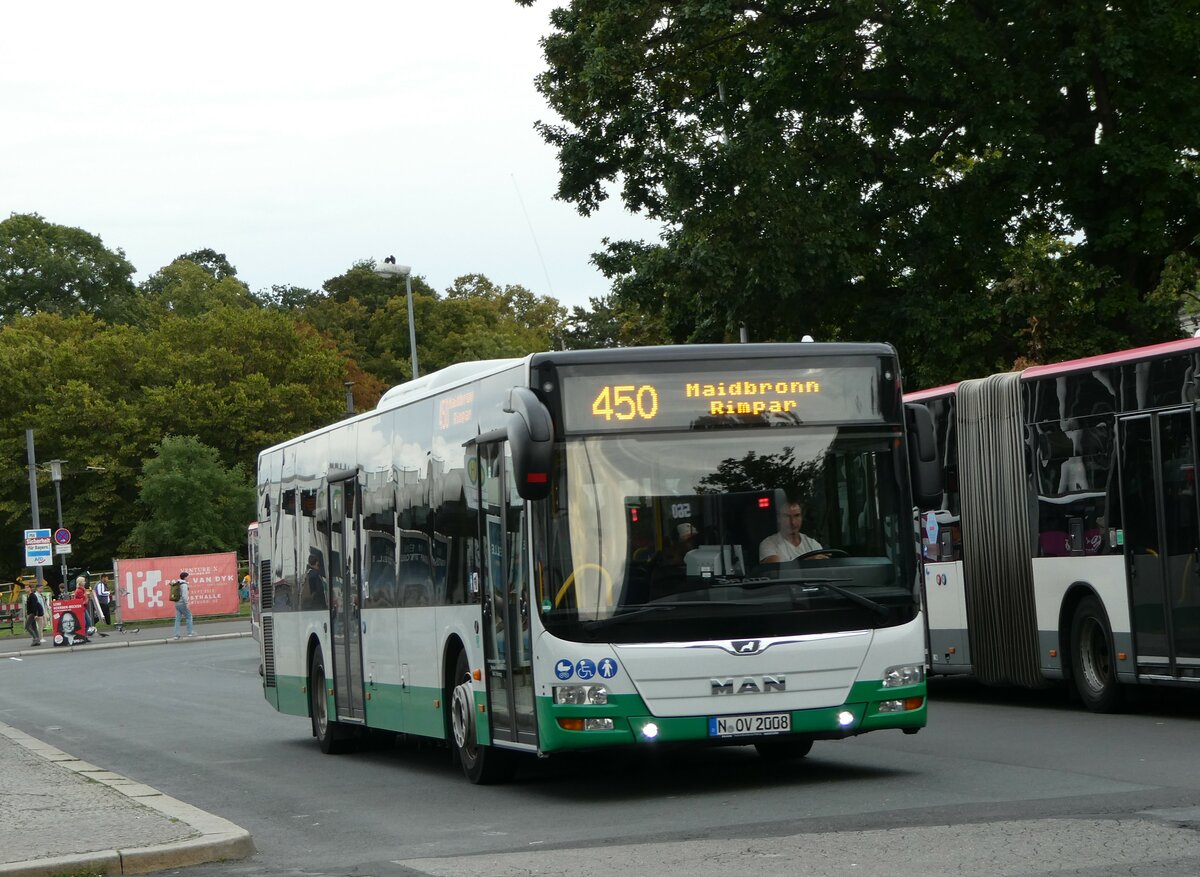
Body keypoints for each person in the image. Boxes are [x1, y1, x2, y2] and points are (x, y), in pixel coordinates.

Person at [759, 500, 826, 563]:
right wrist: (807, 561)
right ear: (779, 519)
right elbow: (776, 570)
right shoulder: (768, 544)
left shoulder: (813, 545)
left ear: (802, 517)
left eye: (796, 516)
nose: (792, 522)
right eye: (787, 516)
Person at [22, 579, 44, 647]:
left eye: (27, 587)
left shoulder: (32, 596)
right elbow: (29, 606)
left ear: (30, 588)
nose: (26, 589)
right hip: (30, 613)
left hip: (33, 614)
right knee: (34, 627)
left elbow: (35, 606)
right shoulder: (28, 596)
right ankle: (38, 641)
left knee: (27, 627)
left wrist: (36, 614)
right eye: (25, 588)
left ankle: (35, 639)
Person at [173, 570, 194, 639]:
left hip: (177, 603)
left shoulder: (177, 583)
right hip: (182, 603)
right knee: (189, 616)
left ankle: (176, 635)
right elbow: (185, 595)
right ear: (185, 577)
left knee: (178, 619)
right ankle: (189, 633)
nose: (188, 578)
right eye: (187, 577)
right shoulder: (184, 585)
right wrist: (187, 603)